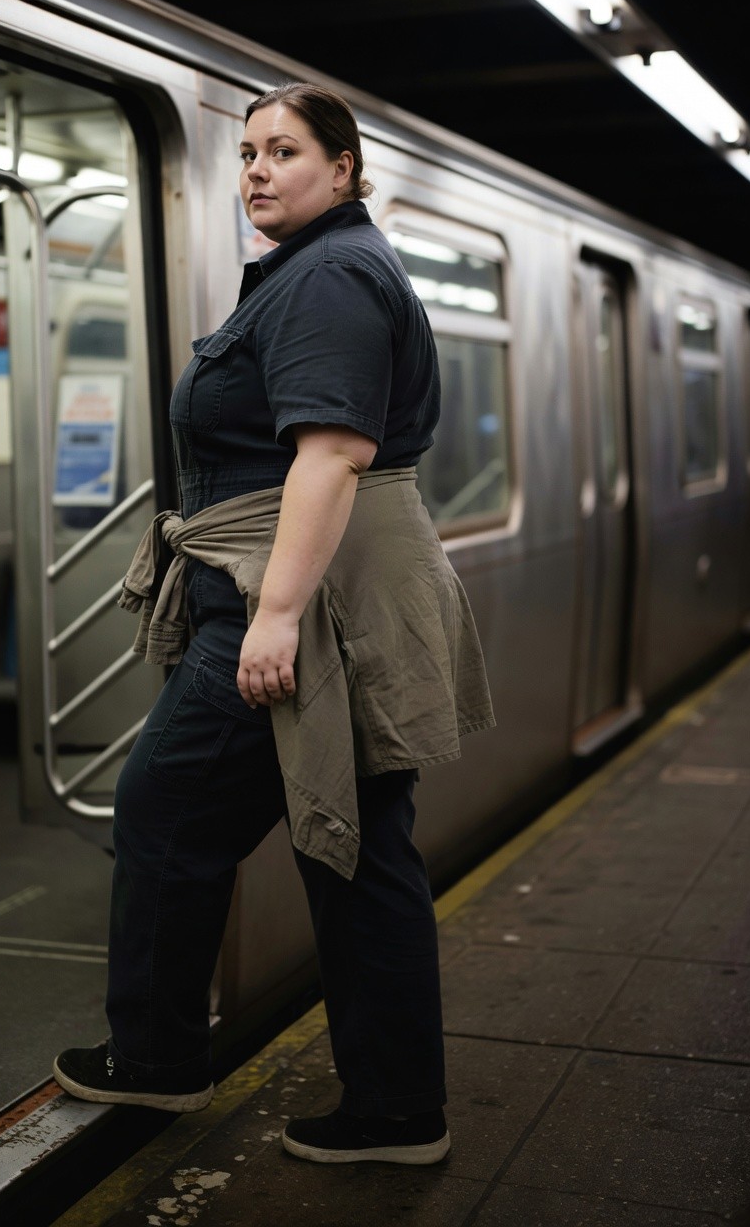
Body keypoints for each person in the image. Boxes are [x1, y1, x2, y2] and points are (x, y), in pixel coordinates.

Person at [53, 81, 495, 1165]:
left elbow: (333, 450)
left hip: (296, 598)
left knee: (167, 811)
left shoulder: (332, 276)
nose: (256, 169)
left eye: (285, 150)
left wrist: (277, 618)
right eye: (248, 151)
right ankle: (396, 1108)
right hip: (325, 590)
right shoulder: (322, 268)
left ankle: (158, 1061)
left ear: (343, 168)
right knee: (358, 850)